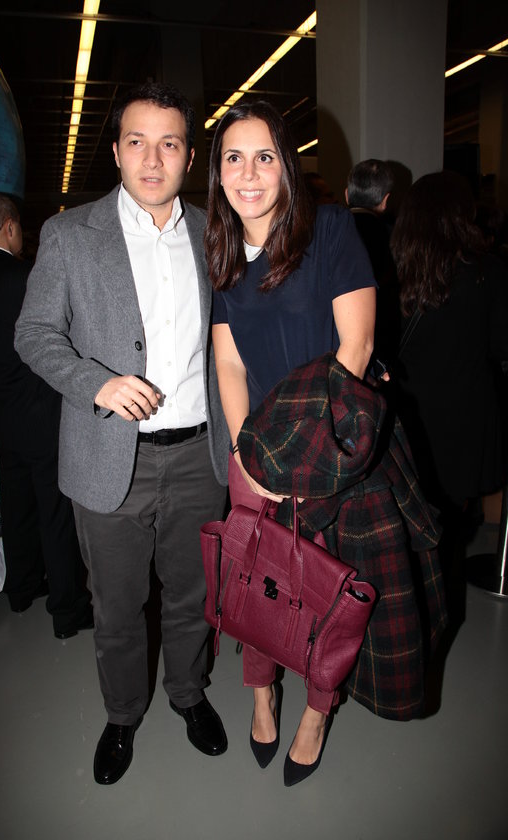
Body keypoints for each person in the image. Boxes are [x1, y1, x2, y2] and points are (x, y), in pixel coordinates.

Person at [15, 83, 230, 786]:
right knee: (117, 605)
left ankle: (189, 694)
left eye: (169, 143)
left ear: (190, 156)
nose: (152, 159)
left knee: (192, 595)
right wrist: (96, 383)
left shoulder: (214, 233)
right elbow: (34, 333)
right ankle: (122, 713)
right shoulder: (70, 234)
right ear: (115, 150)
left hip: (198, 454)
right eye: (137, 142)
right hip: (110, 457)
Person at [205, 101, 377, 785]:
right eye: (234, 158)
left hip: (326, 449)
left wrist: (300, 459)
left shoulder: (328, 230)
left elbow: (356, 346)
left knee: (326, 588)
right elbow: (228, 363)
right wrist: (247, 453)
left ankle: (318, 707)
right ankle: (261, 693)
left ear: (287, 166)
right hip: (256, 451)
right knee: (253, 577)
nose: (249, 174)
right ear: (218, 173)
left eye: (264, 157)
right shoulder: (223, 253)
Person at [0, 192, 92, 637]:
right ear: (10, 227)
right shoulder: (24, 277)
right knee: (54, 509)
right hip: (40, 410)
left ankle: (21, 588)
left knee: (16, 501)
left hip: (1, 409)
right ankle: (67, 610)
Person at [389, 171, 508, 520]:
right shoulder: (487, 270)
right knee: (453, 517)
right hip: (464, 414)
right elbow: (501, 345)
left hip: (405, 413)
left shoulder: (390, 269)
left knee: (406, 514)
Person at [345, 159, 399, 371]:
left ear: (347, 195)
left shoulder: (328, 230)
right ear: (385, 201)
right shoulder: (393, 236)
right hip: (379, 341)